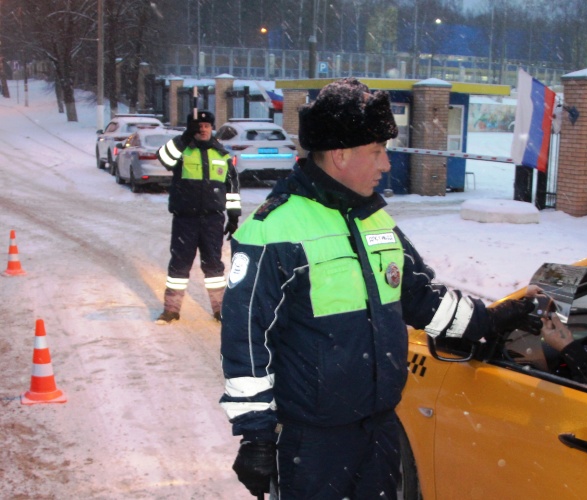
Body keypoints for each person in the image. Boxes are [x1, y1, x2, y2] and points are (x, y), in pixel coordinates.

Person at [219, 78, 541, 499]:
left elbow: (422, 300)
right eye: (376, 151)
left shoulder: (376, 221)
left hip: (381, 428)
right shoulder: (273, 229)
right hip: (311, 444)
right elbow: (245, 337)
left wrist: (491, 319)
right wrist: (256, 435)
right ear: (339, 154)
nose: (385, 164)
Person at [155, 110, 241, 324]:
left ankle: (221, 309)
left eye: (206, 125)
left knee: (214, 266)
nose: (202, 129)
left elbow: (231, 188)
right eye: (198, 126)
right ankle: (171, 309)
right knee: (179, 265)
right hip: (185, 219)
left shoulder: (222, 155)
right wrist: (184, 138)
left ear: (212, 128)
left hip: (212, 219)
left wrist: (233, 217)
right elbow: (163, 158)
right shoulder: (182, 150)